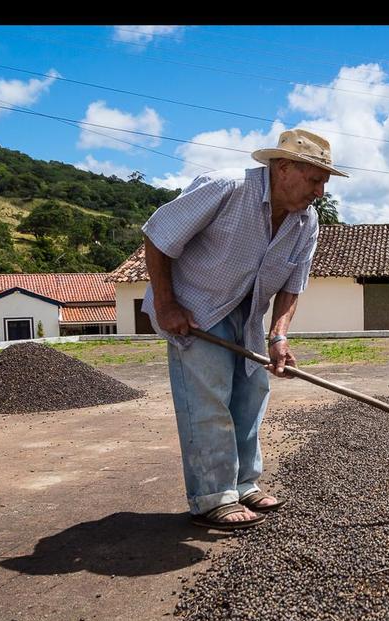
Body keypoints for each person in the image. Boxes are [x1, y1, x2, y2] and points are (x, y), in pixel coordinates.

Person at [141, 128, 349, 530]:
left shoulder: (306, 222)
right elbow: (158, 236)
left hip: (249, 313)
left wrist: (279, 334)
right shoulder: (226, 188)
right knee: (209, 400)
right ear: (285, 167)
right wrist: (167, 304)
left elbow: (293, 284)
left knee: (252, 395)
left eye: (324, 182)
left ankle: (243, 483)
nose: (320, 192)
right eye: (316, 179)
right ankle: (212, 497)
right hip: (198, 309)